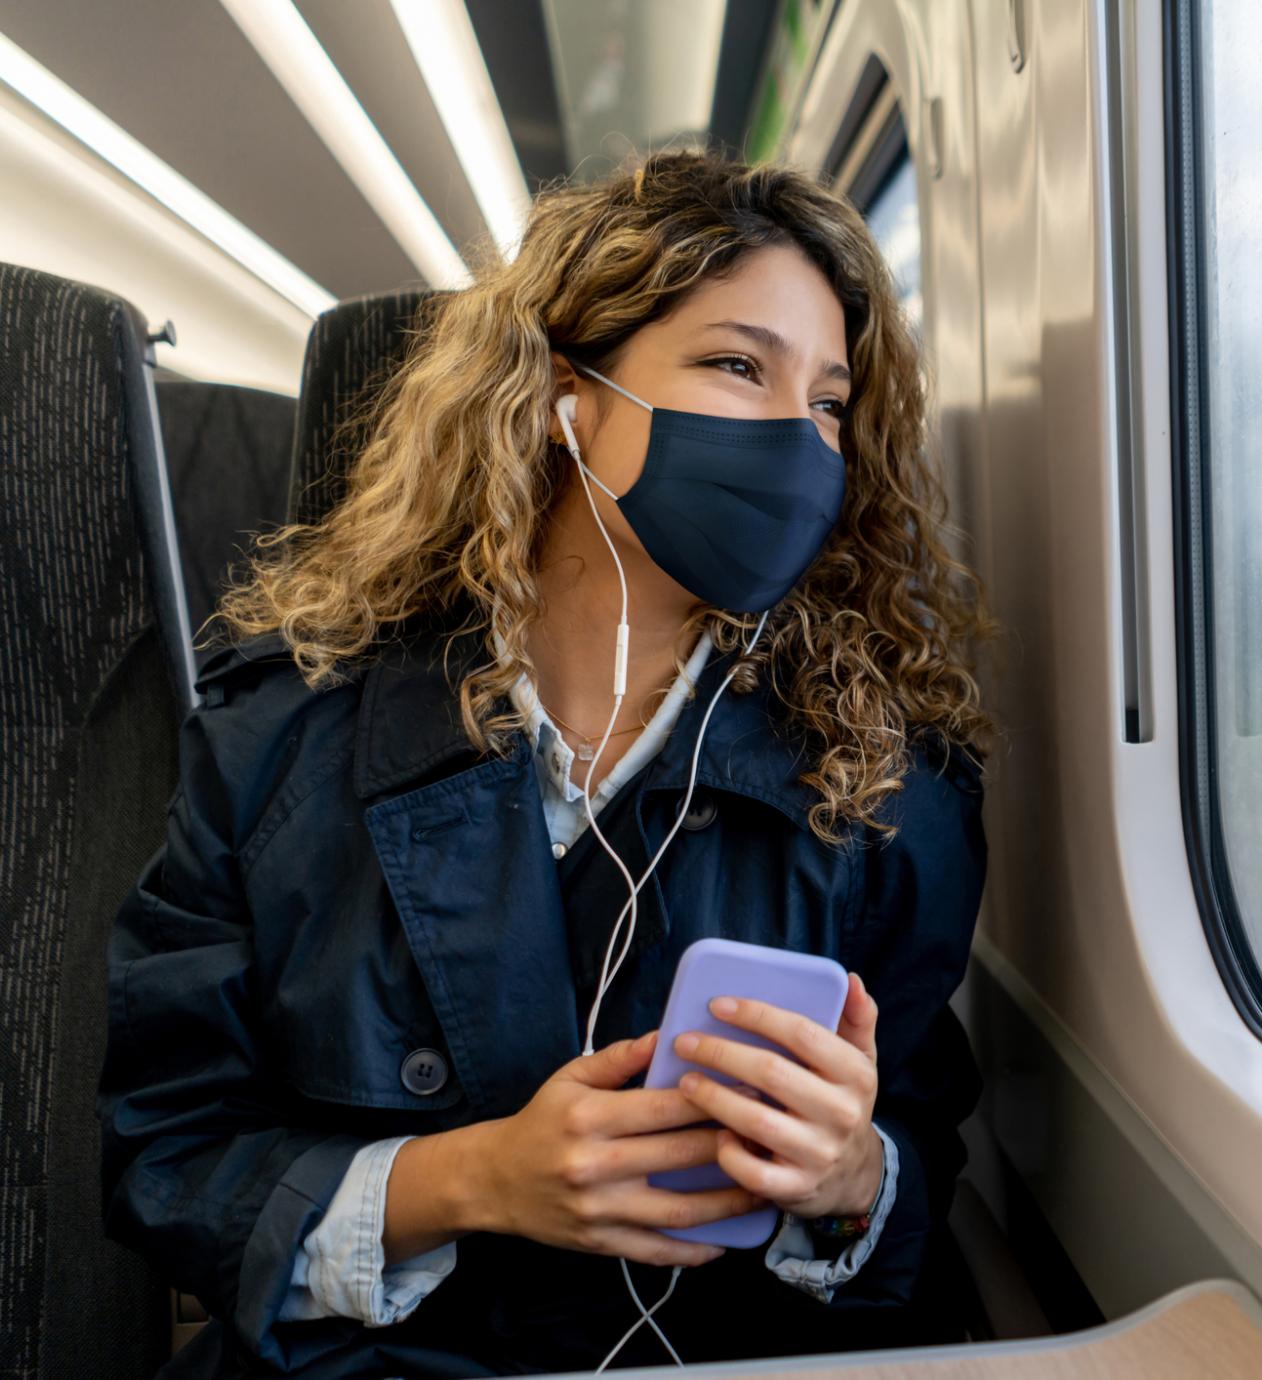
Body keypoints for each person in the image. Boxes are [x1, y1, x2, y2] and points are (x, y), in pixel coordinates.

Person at [98, 150, 994, 1377]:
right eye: (739, 366)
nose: (799, 441)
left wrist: (845, 1181)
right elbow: (167, 1153)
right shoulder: (275, 748)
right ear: (564, 401)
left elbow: (914, 1162)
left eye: (828, 402)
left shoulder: (888, 781)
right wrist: (472, 1180)